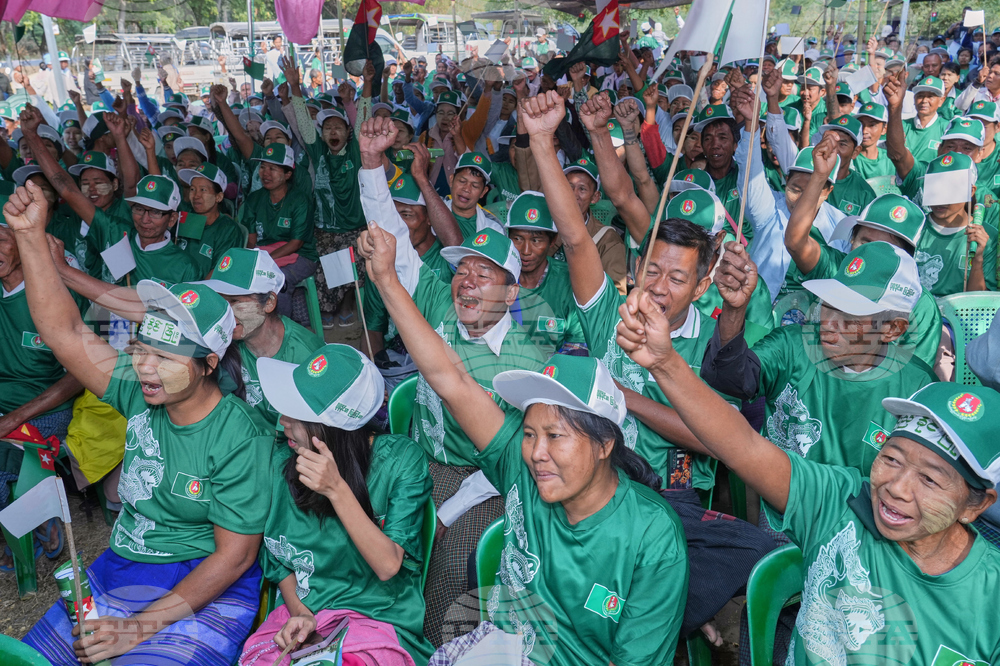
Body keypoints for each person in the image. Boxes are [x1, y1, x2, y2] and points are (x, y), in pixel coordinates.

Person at [360, 218, 688, 664]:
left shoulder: (652, 536)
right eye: (529, 433)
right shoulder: (521, 473)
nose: (536, 452)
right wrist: (385, 278)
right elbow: (450, 378)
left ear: (605, 444)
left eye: (555, 436)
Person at [618, 290, 1000, 666]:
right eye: (892, 459)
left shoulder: (991, 595)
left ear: (976, 505)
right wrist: (665, 363)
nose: (896, 488)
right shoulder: (841, 502)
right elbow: (741, 445)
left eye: (930, 480)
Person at [10, 180, 272, 664]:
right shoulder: (139, 389)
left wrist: (137, 629)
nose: (146, 367)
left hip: (202, 580)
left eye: (166, 358)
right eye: (143, 350)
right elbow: (66, 331)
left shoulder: (240, 436)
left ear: (210, 363)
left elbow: (234, 556)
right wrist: (30, 238)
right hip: (123, 565)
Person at [356, 116, 545, 648]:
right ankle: (370, 640)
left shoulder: (523, 362)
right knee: (356, 518)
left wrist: (451, 505)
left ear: (511, 295)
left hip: (480, 481)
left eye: (484, 274)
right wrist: (372, 164)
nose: (468, 279)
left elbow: (519, 459)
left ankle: (438, 648)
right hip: (418, 457)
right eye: (464, 268)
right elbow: (390, 242)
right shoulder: (438, 299)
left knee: (450, 556)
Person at [237, 344, 434, 665]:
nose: (283, 419)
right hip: (300, 620)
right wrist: (302, 615)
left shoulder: (400, 461)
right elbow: (279, 563)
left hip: (375, 620)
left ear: (332, 430)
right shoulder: (278, 461)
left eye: (297, 414)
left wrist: (336, 490)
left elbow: (388, 565)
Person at [241, 143, 318, 316]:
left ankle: (283, 328)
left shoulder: (299, 200)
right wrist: (253, 259)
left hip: (302, 256)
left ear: (288, 174)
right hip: (266, 253)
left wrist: (265, 261)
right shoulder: (254, 199)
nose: (265, 173)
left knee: (276, 279)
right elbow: (251, 239)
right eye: (262, 167)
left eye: (272, 169)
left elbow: (296, 243)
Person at [173, 162, 245, 277]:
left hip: (203, 291)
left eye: (203, 190)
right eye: (192, 189)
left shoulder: (228, 230)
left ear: (219, 197)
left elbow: (219, 272)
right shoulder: (186, 219)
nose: (196, 195)